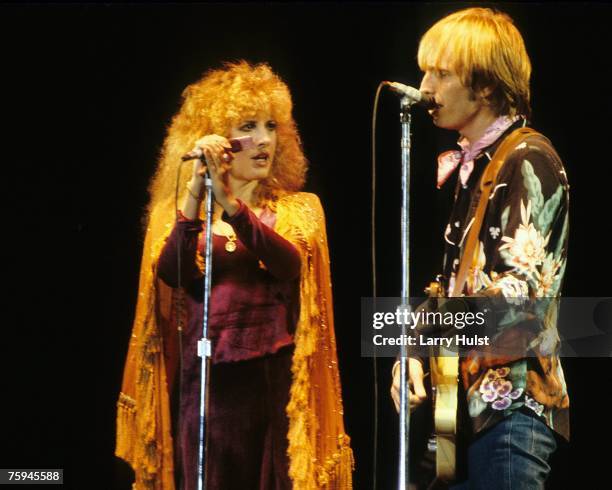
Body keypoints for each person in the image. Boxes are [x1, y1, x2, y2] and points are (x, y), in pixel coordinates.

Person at [116, 61, 353, 490]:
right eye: (248, 126)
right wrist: (196, 191)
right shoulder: (177, 217)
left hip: (274, 385)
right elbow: (172, 272)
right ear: (218, 140)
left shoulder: (299, 209)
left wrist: (233, 206)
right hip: (206, 387)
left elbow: (288, 264)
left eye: (271, 126)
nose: (264, 140)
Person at [390, 8, 569, 488]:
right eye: (425, 71)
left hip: (509, 412)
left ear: (487, 86)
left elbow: (520, 298)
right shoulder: (477, 171)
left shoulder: (528, 158)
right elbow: (458, 289)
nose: (425, 87)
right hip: (463, 417)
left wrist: (422, 329)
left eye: (441, 73)